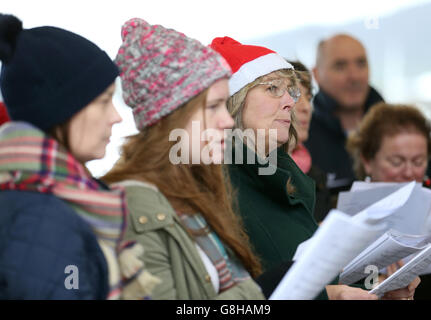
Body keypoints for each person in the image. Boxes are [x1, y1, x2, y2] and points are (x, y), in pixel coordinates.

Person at [211, 36, 419, 300]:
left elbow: (320, 280)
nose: (290, 102)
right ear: (234, 100)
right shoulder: (224, 187)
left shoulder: (281, 178)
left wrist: (377, 288)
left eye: (291, 91)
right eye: (273, 88)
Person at [102, 18, 264, 300]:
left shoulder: (190, 189)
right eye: (213, 107)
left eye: (224, 106)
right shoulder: (132, 207)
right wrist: (256, 293)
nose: (226, 121)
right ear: (171, 116)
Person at [0, 14, 158, 299]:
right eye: (102, 101)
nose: (116, 117)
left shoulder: (50, 199)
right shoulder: (44, 218)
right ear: (59, 108)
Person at [346, 102, 431, 299]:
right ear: (367, 161)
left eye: (418, 162)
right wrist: (380, 283)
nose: (409, 173)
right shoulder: (342, 216)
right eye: (396, 162)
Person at [305, 33, 385, 203]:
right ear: (317, 74)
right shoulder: (300, 138)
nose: (354, 76)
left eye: (361, 63)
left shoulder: (398, 130)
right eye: (340, 66)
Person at [287, 60, 332, 223]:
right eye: (296, 96)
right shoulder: (262, 171)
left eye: (308, 97)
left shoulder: (315, 173)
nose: (306, 107)